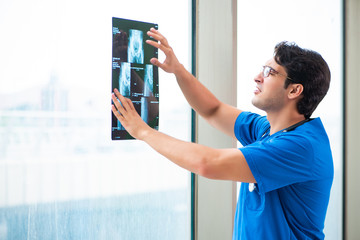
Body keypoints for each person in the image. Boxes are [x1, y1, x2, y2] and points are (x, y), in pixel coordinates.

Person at [111, 28, 333, 240]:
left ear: (294, 90)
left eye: (269, 72)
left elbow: (207, 163)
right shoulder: (266, 129)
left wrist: (142, 131)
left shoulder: (301, 147)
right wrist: (177, 69)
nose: (257, 77)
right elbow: (213, 110)